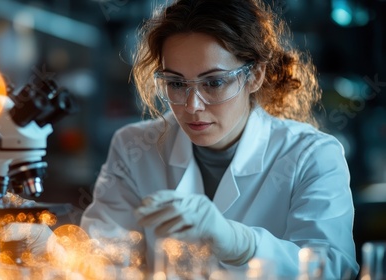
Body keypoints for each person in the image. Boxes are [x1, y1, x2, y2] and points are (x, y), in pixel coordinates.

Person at [78, 0, 359, 278]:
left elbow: (332, 269)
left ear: (255, 75)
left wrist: (241, 244)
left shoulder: (313, 156)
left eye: (213, 83)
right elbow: (102, 256)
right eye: (176, 83)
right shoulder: (134, 147)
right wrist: (51, 246)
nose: (192, 106)